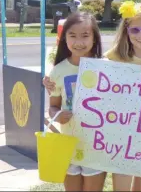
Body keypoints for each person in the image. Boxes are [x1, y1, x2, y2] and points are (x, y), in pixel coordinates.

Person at [44, 0, 141, 191]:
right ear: (126, 31)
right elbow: (81, 71)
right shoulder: (111, 59)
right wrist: (50, 80)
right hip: (116, 136)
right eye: (135, 29)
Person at [47, 12, 106, 191]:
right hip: (68, 145)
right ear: (64, 38)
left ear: (94, 39)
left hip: (96, 147)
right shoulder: (57, 71)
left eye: (85, 36)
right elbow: (53, 107)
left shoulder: (106, 67)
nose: (78, 42)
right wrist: (57, 115)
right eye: (72, 35)